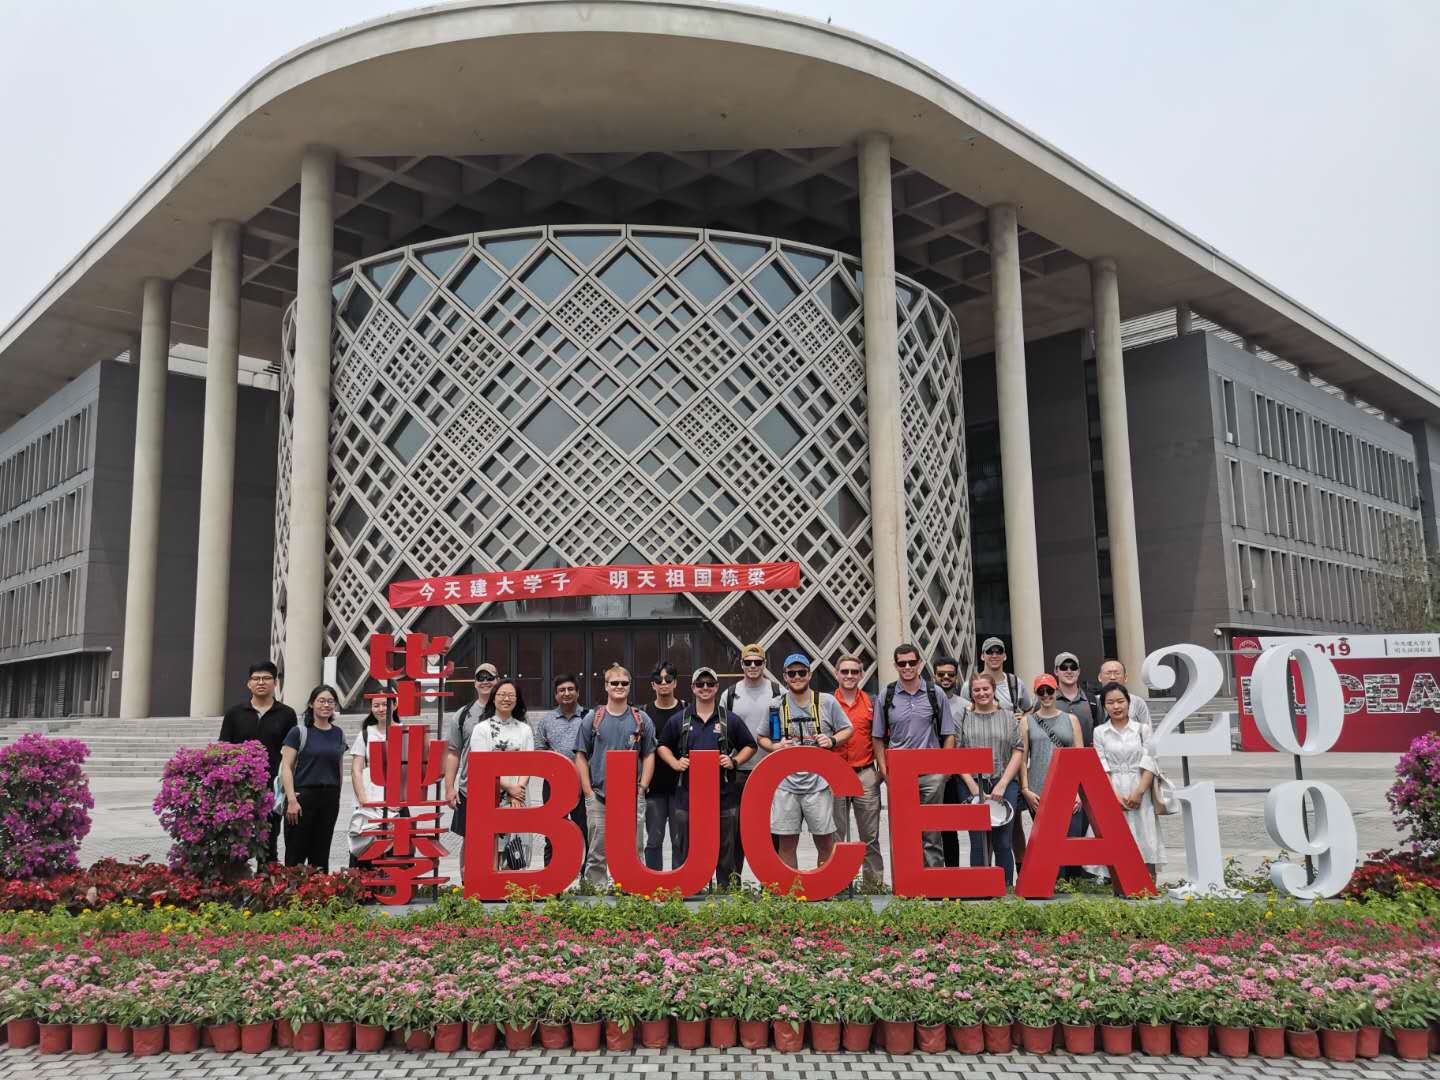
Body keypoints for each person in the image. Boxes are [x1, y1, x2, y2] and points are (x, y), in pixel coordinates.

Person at [656, 666, 757, 888]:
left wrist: (734, 761)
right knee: (685, 847)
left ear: (716, 687)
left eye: (709, 684)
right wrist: (675, 763)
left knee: (726, 848)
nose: (705, 688)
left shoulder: (730, 719)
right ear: (693, 688)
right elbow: (662, 745)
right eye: (700, 684)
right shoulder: (680, 719)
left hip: (724, 797)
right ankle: (686, 888)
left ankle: (727, 891)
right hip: (687, 797)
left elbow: (750, 745)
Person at [756, 653, 852, 871]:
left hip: (819, 785)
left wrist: (832, 740)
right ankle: (792, 887)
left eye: (801, 672)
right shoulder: (776, 705)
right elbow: (761, 737)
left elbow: (848, 729)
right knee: (787, 843)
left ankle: (825, 884)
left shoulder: (826, 702)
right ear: (785, 677)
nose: (797, 677)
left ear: (809, 674)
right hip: (785, 785)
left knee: (825, 841)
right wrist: (775, 747)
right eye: (792, 673)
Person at [873, 643, 956, 869]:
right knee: (904, 832)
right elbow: (877, 737)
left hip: (931, 774)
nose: (907, 667)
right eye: (902, 663)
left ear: (919, 663)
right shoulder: (886, 695)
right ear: (895, 665)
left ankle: (934, 879)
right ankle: (908, 882)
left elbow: (949, 733)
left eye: (912, 662)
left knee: (932, 832)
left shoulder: (935, 693)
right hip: (900, 775)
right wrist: (885, 771)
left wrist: (944, 771)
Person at [575, 663, 656, 888]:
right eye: (614, 683)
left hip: (632, 797)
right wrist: (588, 792)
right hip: (600, 796)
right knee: (596, 851)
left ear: (629, 686)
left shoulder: (641, 719)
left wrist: (642, 788)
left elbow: (649, 754)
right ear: (606, 686)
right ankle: (596, 895)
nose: (619, 686)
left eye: (624, 683)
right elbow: (580, 755)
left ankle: (634, 889)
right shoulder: (593, 718)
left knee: (635, 849)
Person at [219, 660, 298, 864]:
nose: (261, 682)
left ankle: (267, 881)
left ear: (275, 683)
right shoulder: (234, 714)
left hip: (272, 789)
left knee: (269, 843)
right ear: (248, 683)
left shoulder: (287, 714)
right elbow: (223, 750)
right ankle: (239, 881)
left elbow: (291, 754)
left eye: (266, 678)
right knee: (237, 845)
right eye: (256, 678)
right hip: (240, 790)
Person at [1091, 681, 1165, 889]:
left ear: (1128, 703)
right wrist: (1113, 796)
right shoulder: (1100, 732)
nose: (1116, 706)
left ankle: (1149, 885)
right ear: (1104, 706)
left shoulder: (1142, 729)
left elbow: (1151, 761)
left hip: (1140, 786)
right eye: (1110, 703)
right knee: (1116, 838)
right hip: (1113, 788)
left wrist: (1139, 792)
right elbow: (1102, 766)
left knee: (1145, 834)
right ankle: (1119, 886)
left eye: (1120, 701)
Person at [956, 670, 1023, 888]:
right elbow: (957, 753)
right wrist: (972, 786)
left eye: (986, 689)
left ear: (993, 690)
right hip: (972, 784)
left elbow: (1018, 750)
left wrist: (1003, 783)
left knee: (1003, 840)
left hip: (1003, 781)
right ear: (971, 693)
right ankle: (979, 888)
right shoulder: (963, 718)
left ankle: (1005, 887)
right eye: (976, 690)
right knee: (978, 841)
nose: (981, 693)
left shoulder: (1008, 717)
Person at [460, 679, 534, 871]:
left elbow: (528, 763)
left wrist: (518, 790)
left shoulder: (524, 729)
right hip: (490, 795)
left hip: (518, 797)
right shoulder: (482, 729)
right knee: (490, 848)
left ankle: (512, 885)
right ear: (494, 698)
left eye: (511, 695)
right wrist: (509, 788)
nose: (506, 699)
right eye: (502, 694)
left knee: (514, 848)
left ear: (517, 700)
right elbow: (482, 766)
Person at [1019, 673, 1086, 873]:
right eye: (1041, 691)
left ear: (1056, 691)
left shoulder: (1071, 720)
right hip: (1038, 790)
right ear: (1036, 693)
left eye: (1049, 690)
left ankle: (1073, 884)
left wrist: (1078, 791)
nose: (1046, 695)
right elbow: (1022, 758)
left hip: (1067, 788)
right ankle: (1054, 884)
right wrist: (1025, 789)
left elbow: (1080, 757)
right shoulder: (1027, 721)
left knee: (1071, 841)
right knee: (1047, 843)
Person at [726, 643, 779, 877]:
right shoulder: (730, 694)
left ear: (765, 664)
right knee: (736, 829)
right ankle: (734, 882)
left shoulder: (777, 692)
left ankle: (774, 882)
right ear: (742, 664)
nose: (753, 666)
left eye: (758, 662)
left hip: (770, 771)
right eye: (748, 662)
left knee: (772, 828)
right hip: (739, 771)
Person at [279, 684, 345, 872]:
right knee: (296, 853)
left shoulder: (338, 733)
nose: (326, 705)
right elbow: (286, 767)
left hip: (329, 798)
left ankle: (318, 889)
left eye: (330, 701)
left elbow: (339, 767)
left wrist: (337, 796)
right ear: (311, 704)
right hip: (302, 797)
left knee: (321, 853)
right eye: (321, 701)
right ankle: (294, 889)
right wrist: (291, 800)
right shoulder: (299, 732)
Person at [831, 654, 883, 888]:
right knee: (835, 834)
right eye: (845, 671)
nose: (849, 675)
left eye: (854, 671)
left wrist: (879, 773)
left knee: (870, 835)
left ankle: (874, 885)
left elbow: (880, 738)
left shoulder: (872, 702)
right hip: (835, 774)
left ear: (861, 674)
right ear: (836, 674)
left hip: (865, 773)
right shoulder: (827, 702)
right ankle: (836, 883)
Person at [443, 662, 498, 881]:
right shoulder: (463, 715)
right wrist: (449, 788)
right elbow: (453, 753)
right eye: (480, 678)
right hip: (470, 788)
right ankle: (468, 883)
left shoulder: (509, 711)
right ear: (474, 683)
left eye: (490, 677)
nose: (485, 682)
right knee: (470, 837)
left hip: (502, 789)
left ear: (497, 680)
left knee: (501, 838)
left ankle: (498, 882)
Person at [534, 673, 590, 869]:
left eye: (570, 689)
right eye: (561, 690)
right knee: (552, 830)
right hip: (554, 784)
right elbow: (539, 751)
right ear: (556, 695)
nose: (566, 693)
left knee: (586, 829)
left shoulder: (589, 717)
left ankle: (587, 875)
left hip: (584, 783)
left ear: (578, 692)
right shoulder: (546, 720)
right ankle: (551, 872)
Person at [347, 693, 401, 868]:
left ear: (395, 705)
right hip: (369, 802)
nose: (381, 709)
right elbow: (356, 770)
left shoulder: (404, 732)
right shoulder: (366, 734)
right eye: (376, 705)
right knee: (366, 851)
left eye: (385, 704)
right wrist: (364, 801)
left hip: (396, 803)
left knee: (397, 852)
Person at [644, 661, 685, 871]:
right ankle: (654, 882)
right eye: (658, 680)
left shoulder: (686, 710)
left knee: (680, 841)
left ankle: (680, 883)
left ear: (675, 683)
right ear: (652, 685)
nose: (663, 684)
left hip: (680, 787)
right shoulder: (644, 713)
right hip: (654, 788)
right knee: (653, 840)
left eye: (668, 679)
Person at [932, 655, 968, 869]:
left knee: (949, 827)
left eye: (950, 674)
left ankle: (952, 871)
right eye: (941, 674)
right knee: (927, 827)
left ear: (956, 677)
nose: (946, 678)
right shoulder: (926, 700)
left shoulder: (966, 706)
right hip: (927, 771)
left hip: (953, 775)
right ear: (934, 675)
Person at [960, 638, 1033, 714]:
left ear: (1005, 656)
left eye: (999, 651)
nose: (994, 655)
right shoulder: (969, 685)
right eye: (989, 652)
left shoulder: (1016, 683)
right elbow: (963, 714)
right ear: (982, 656)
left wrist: (1024, 718)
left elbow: (1029, 710)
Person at [1052, 652, 1098, 747]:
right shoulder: (1046, 700)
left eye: (1073, 667)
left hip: (1087, 755)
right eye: (1064, 667)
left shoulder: (1093, 701)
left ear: (1078, 671)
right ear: (1056, 671)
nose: (1069, 671)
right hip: (1054, 756)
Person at [1095, 658, 1153, 726]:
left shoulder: (1137, 702)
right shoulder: (1094, 701)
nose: (1112, 677)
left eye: (1117, 673)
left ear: (1125, 678)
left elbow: (1147, 729)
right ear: (1099, 677)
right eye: (1108, 673)